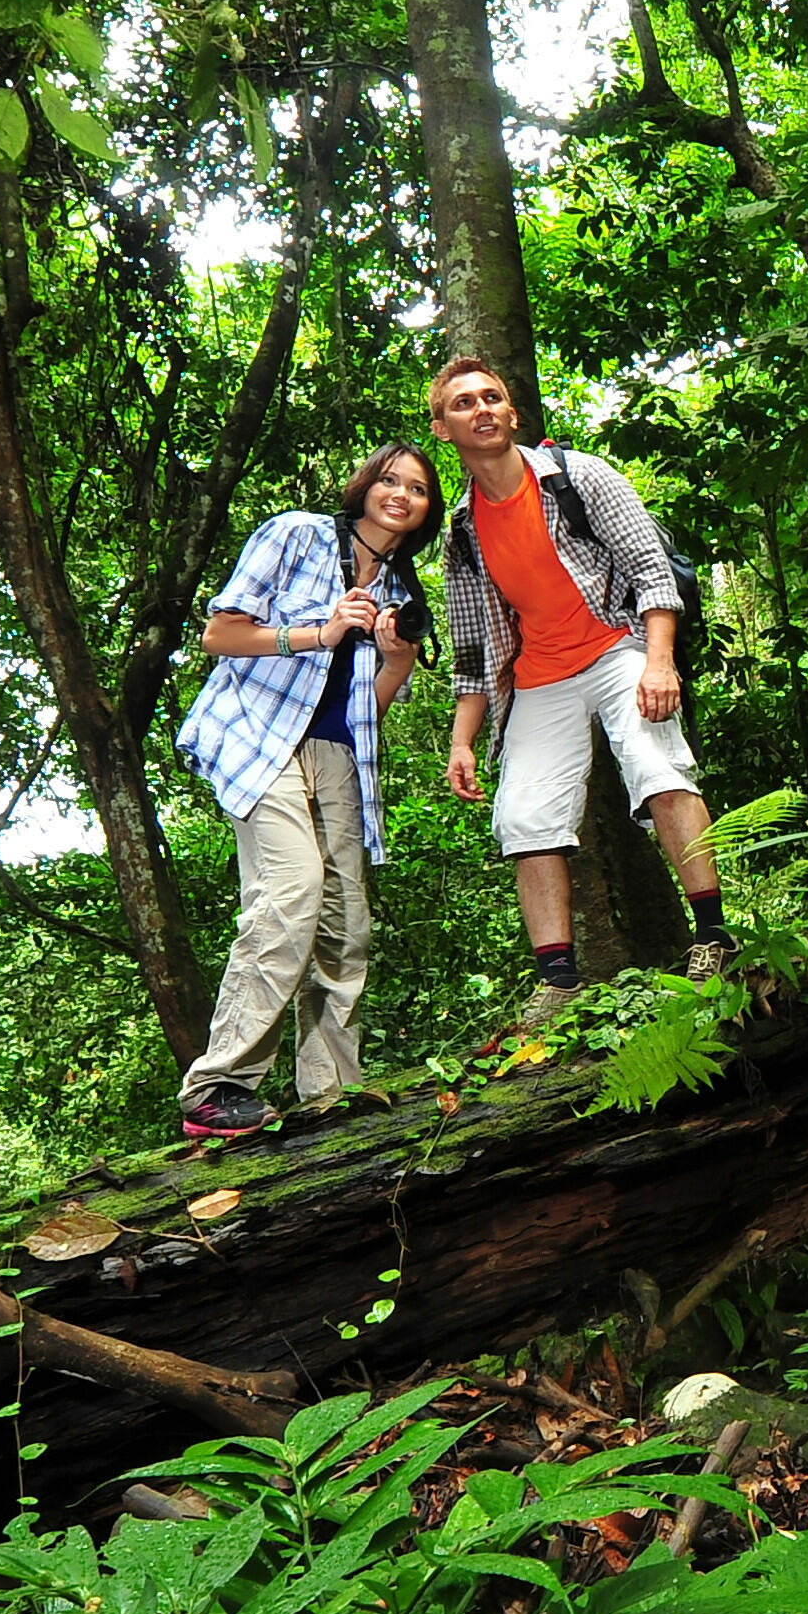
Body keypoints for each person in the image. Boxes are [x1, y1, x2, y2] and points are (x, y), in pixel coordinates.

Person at [428, 353, 731, 1024]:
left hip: (617, 644)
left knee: (657, 768)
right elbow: (473, 650)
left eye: (490, 397)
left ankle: (714, 936)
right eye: (463, 404)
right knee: (523, 815)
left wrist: (659, 662)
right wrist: (462, 742)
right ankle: (557, 980)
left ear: (511, 413)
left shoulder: (579, 476)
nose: (481, 410)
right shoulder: (463, 531)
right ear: (443, 430)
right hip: (539, 675)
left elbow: (650, 571)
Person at [170, 444, 440, 1140]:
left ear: (427, 511)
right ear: (364, 486)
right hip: (259, 735)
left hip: (338, 755)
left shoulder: (400, 589)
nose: (401, 495)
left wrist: (397, 658)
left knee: (346, 924)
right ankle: (218, 1086)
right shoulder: (297, 533)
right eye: (389, 480)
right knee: (290, 891)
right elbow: (219, 634)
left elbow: (368, 708)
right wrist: (322, 631)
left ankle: (330, 1090)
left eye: (417, 489)